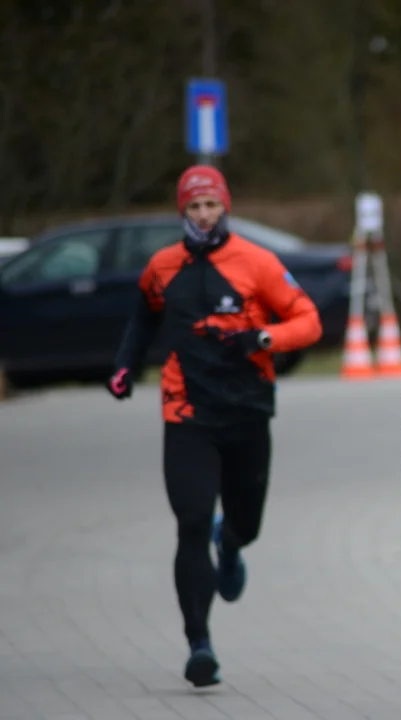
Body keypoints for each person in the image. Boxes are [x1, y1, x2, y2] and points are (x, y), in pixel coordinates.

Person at [107, 164, 323, 688]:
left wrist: (264, 339)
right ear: (183, 211)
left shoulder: (257, 262)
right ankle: (199, 644)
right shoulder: (161, 267)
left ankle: (233, 544)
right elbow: (143, 317)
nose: (204, 215)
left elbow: (308, 320)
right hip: (186, 414)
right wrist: (124, 365)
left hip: (247, 411)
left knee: (244, 524)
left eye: (211, 205)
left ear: (225, 206)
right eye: (194, 207)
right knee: (191, 523)